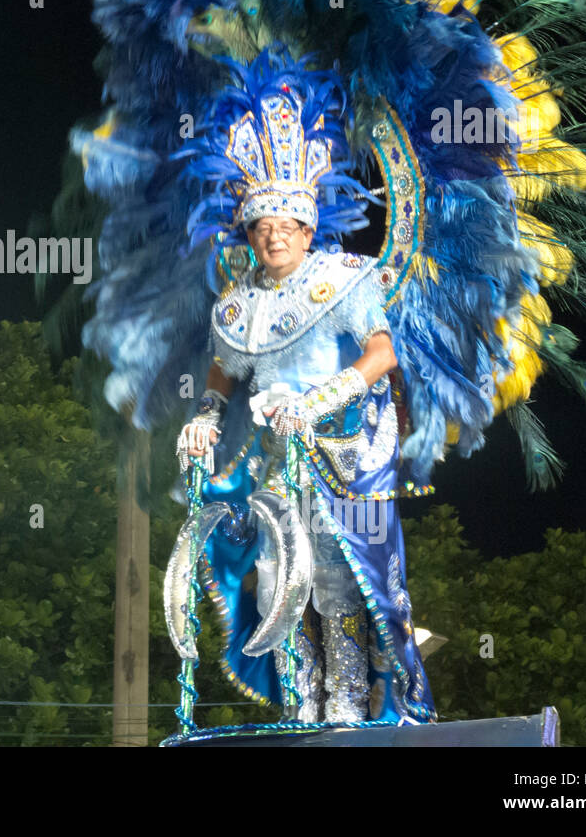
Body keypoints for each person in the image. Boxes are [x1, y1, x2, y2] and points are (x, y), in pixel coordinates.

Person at [172, 86, 434, 725]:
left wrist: (323, 398)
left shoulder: (343, 278)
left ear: (307, 227)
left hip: (345, 455)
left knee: (343, 579)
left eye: (285, 226)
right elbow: (224, 373)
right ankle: (301, 707)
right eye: (261, 227)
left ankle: (346, 706)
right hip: (276, 463)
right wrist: (204, 417)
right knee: (282, 575)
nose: (273, 237)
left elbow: (383, 352)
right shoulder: (236, 308)